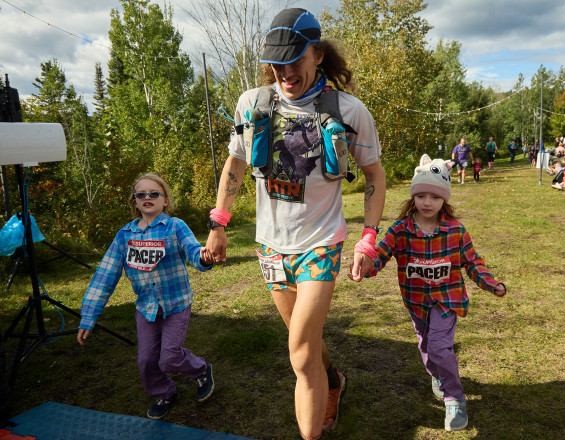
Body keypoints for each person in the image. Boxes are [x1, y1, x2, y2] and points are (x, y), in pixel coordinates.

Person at [205, 8, 386, 439]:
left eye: (294, 60)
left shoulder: (349, 110)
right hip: (270, 247)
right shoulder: (252, 103)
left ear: (317, 54)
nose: (284, 72)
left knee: (300, 356)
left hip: (320, 245)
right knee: (306, 339)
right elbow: (234, 164)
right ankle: (334, 382)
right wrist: (219, 222)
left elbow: (375, 175)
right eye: (275, 63)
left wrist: (368, 239)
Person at [349, 154, 506, 432]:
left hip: (447, 299)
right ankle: (437, 375)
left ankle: (455, 399)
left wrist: (489, 283)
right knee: (425, 345)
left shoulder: (456, 231)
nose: (427, 202)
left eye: (434, 196)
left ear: (444, 198)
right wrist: (365, 265)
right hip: (417, 301)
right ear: (413, 197)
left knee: (437, 345)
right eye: (420, 195)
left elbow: (472, 262)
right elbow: (381, 255)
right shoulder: (400, 230)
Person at [77, 173, 214, 420]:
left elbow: (194, 251)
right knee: (147, 360)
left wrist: (203, 257)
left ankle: (201, 369)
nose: (147, 197)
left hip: (176, 304)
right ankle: (165, 392)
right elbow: (104, 276)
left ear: (165, 201)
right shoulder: (124, 236)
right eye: (141, 194)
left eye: (154, 193)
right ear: (135, 202)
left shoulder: (175, 226)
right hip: (146, 308)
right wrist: (88, 316)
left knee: (170, 357)